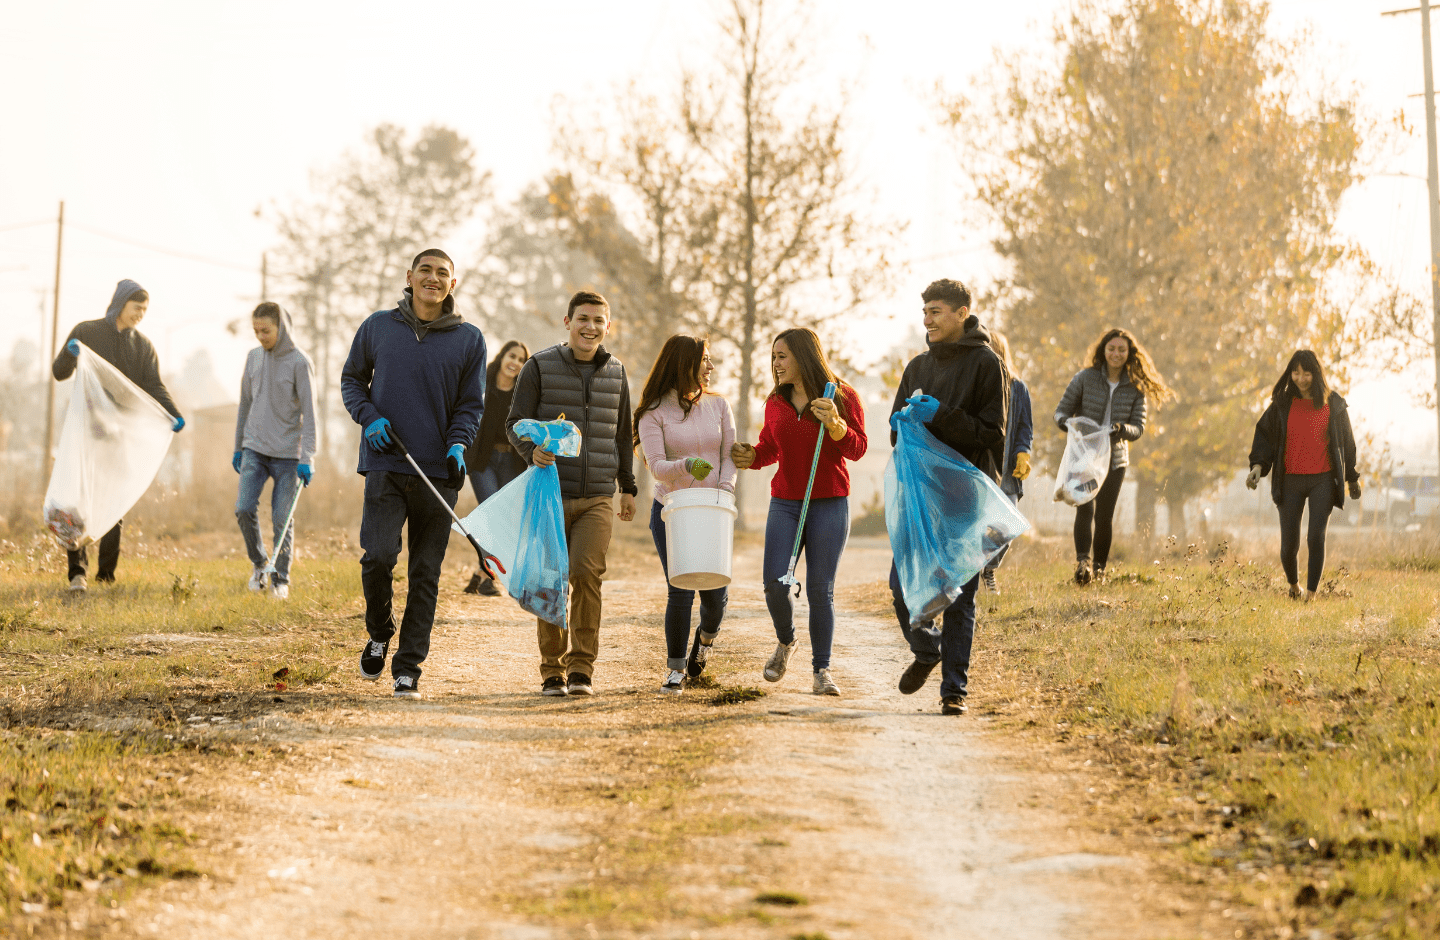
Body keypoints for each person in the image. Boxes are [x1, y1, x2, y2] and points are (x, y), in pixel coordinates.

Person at [341, 249, 487, 700]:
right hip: (385, 463)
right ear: (409, 276)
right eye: (425, 270)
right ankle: (379, 631)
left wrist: (459, 442)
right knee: (379, 557)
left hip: (439, 472)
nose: (433, 278)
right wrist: (369, 417)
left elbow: (470, 405)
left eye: (443, 273)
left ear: (453, 285)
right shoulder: (378, 327)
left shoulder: (469, 339)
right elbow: (351, 380)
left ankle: (409, 668)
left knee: (426, 573)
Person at [506, 290, 637, 698]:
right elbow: (514, 424)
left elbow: (622, 434)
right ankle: (552, 670)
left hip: (597, 496)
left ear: (608, 327)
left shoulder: (616, 372)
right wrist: (533, 451)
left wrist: (627, 487)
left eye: (599, 320)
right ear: (567, 322)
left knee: (585, 573)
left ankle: (581, 668)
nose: (590, 327)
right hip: (549, 493)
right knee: (550, 579)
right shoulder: (539, 367)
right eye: (583, 318)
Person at [886, 279, 1006, 716]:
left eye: (936, 311)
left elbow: (994, 434)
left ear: (961, 313)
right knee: (902, 587)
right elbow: (895, 431)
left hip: (966, 495)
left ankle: (954, 690)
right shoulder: (917, 367)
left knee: (960, 594)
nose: (927, 320)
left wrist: (944, 415)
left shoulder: (987, 365)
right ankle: (926, 649)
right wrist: (902, 423)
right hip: (920, 496)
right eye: (925, 312)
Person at [732, 327, 867, 697]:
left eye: (782, 356)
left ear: (804, 356)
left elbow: (857, 449)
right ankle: (786, 641)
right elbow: (769, 449)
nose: (775, 364)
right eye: (773, 356)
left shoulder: (841, 395)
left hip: (830, 503)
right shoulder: (775, 402)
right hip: (786, 502)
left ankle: (821, 670)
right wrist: (751, 457)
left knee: (821, 591)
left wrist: (837, 427)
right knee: (775, 584)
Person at [51, 279, 184, 594]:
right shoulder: (86, 332)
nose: (141, 314)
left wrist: (173, 412)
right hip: (85, 431)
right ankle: (77, 574)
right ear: (121, 303)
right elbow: (59, 372)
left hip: (118, 433)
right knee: (77, 500)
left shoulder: (143, 347)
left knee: (114, 501)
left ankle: (106, 576)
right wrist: (71, 355)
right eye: (137, 308)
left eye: (145, 310)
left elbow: (154, 384)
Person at [635, 335, 737, 695]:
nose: (710, 368)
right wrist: (686, 466)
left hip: (714, 510)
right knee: (680, 590)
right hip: (673, 512)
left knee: (715, 596)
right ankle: (675, 670)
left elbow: (728, 456)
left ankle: (705, 642)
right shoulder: (653, 413)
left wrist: (723, 491)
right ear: (684, 364)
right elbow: (658, 467)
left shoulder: (719, 405)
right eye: (704, 360)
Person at [1055, 327, 1174, 585]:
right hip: (1084, 455)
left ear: (1129, 353)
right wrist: (1071, 425)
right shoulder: (1085, 378)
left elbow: (1138, 427)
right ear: (1103, 350)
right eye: (1111, 348)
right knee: (1084, 508)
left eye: (1121, 349)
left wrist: (1122, 430)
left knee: (1104, 515)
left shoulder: (1135, 387)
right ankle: (1082, 564)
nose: (1116, 353)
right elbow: (1060, 412)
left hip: (1115, 459)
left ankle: (1099, 569)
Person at [1245, 350, 1360, 601]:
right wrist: (1257, 467)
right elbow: (1264, 436)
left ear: (1316, 373)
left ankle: (1311, 594)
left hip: (1323, 479)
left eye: (1306, 372)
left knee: (1315, 537)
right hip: (1290, 480)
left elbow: (1346, 444)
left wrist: (1352, 478)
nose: (1300, 378)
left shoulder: (1334, 404)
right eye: (1295, 372)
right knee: (1289, 546)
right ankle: (1294, 586)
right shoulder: (1282, 405)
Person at [233, 302, 318, 601]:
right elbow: (244, 404)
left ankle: (280, 579)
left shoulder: (299, 362)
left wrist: (308, 457)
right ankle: (260, 565)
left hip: (288, 455)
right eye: (256, 331)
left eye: (265, 330)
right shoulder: (253, 358)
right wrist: (238, 447)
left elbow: (311, 413)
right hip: (254, 448)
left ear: (281, 327)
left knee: (282, 517)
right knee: (243, 508)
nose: (260, 336)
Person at [463, 339, 530, 596]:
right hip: (483, 462)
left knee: (505, 520)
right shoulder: (482, 384)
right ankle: (488, 578)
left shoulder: (522, 393)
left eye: (521, 360)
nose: (516, 363)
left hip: (512, 464)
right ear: (502, 357)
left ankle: (482, 574)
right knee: (492, 516)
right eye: (512, 356)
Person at [981, 330, 1032, 595]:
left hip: (1007, 473)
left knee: (1008, 525)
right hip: (980, 468)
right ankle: (969, 575)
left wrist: (1024, 452)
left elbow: (1025, 427)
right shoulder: (976, 385)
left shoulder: (1018, 388)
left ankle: (988, 567)